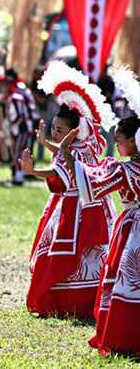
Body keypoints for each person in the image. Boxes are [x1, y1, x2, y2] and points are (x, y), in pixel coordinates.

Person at [19, 61, 117, 318]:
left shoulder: (71, 152)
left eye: (59, 131)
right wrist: (47, 143)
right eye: (53, 129)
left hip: (73, 208)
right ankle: (91, 297)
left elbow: (58, 170)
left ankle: (65, 300)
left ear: (74, 131)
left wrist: (33, 172)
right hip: (96, 204)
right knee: (94, 254)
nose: (55, 133)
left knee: (66, 254)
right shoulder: (90, 144)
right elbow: (65, 155)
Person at [63, 67, 140, 356]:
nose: (116, 144)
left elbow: (92, 180)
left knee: (128, 283)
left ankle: (127, 337)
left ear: (135, 141)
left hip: (134, 232)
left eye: (119, 140)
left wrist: (67, 154)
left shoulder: (126, 169)